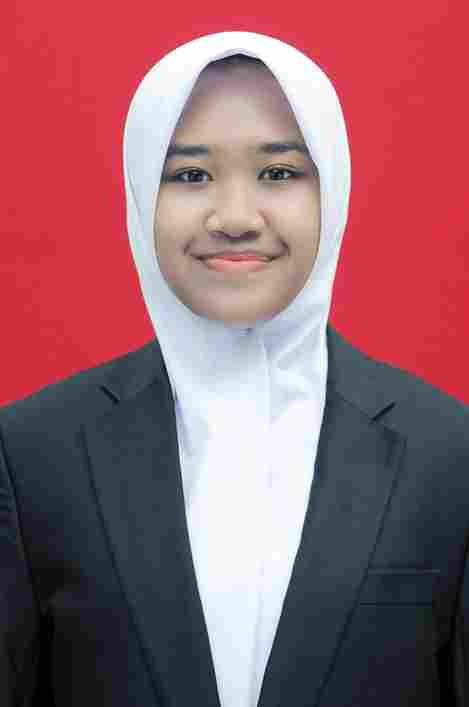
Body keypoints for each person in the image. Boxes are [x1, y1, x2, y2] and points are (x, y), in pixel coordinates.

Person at [0, 30, 468, 707]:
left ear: (332, 189)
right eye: (191, 175)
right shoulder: (33, 452)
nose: (236, 218)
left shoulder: (448, 452)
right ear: (140, 194)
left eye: (278, 172)